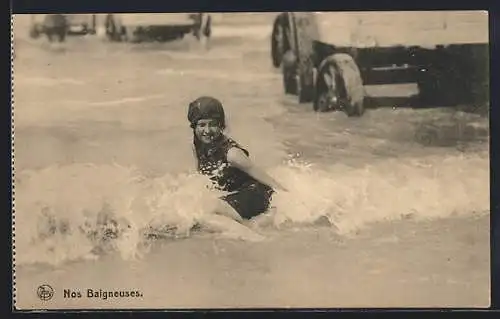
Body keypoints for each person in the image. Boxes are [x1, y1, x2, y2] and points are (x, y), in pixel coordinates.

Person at [187, 96, 288, 241]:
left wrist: (287, 197)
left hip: (255, 194)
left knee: (203, 214)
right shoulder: (196, 146)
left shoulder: (232, 153)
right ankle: (246, 228)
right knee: (195, 209)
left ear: (221, 126)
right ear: (194, 126)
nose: (207, 130)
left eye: (212, 124)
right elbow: (202, 177)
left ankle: (253, 237)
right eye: (202, 125)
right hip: (234, 193)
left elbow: (258, 173)